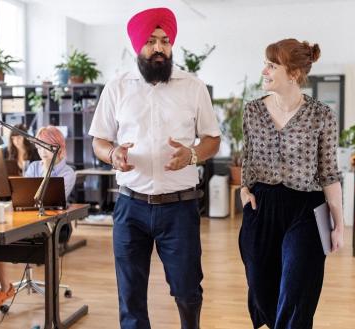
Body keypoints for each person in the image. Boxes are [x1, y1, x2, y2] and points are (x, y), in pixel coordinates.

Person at [89, 7, 221, 329]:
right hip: (130, 205)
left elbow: (212, 139)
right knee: (131, 295)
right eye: (150, 41)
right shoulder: (117, 87)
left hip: (180, 207)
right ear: (138, 46)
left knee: (187, 289)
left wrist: (191, 155)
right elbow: (99, 141)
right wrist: (113, 155)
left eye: (164, 40)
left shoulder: (193, 86)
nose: (159, 48)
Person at [238, 39, 345, 329]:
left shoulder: (321, 115)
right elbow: (247, 159)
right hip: (262, 206)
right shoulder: (252, 112)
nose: (264, 70)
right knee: (262, 288)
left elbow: (329, 172)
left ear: (293, 73)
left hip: (306, 209)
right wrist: (244, 191)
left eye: (272, 66)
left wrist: (339, 224)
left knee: (297, 291)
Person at [0, 125, 76, 310]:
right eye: (39, 147)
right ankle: (5, 286)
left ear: (57, 146)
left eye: (46, 146)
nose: (41, 151)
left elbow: (52, 201)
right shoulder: (34, 166)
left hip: (51, 225)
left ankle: (50, 307)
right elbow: (23, 197)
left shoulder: (67, 173)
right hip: (28, 220)